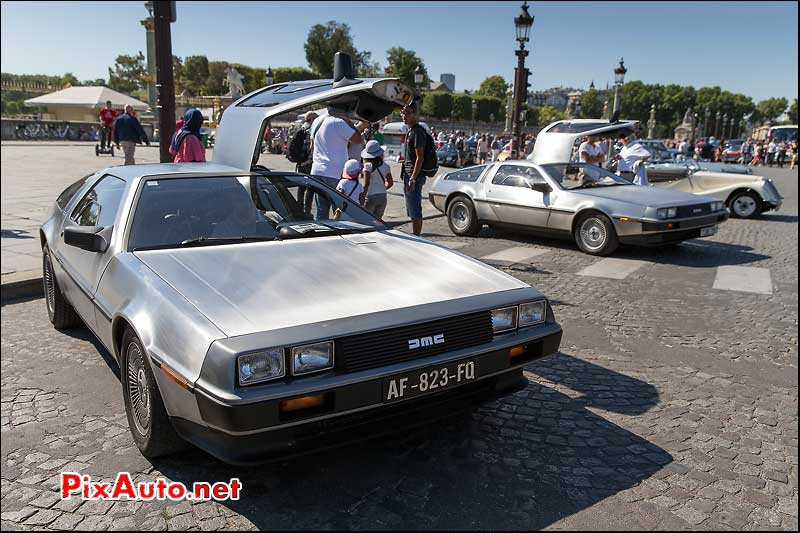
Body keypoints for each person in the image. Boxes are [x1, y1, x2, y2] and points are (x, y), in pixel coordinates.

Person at [309, 108, 367, 219]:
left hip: (317, 170)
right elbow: (358, 139)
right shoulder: (339, 121)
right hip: (334, 172)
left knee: (321, 211)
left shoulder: (317, 121)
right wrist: (348, 121)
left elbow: (312, 147)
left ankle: (322, 234)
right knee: (340, 210)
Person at [400, 101, 428, 236]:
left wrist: (412, 178)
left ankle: (417, 236)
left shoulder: (417, 131)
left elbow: (420, 157)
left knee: (415, 208)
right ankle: (415, 234)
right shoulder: (411, 130)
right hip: (409, 174)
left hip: (414, 176)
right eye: (403, 113)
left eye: (408, 113)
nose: (404, 116)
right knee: (411, 208)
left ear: (415, 114)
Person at [360, 140, 393, 219]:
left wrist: (362, 198)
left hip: (371, 196)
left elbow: (366, 184)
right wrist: (382, 189)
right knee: (377, 221)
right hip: (382, 196)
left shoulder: (368, 166)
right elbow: (390, 183)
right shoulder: (386, 166)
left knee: (367, 220)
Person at [294, 111, 318, 215]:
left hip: (300, 162)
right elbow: (312, 147)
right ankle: (307, 210)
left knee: (301, 186)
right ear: (312, 119)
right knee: (310, 187)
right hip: (309, 162)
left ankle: (299, 207)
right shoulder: (311, 129)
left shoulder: (299, 128)